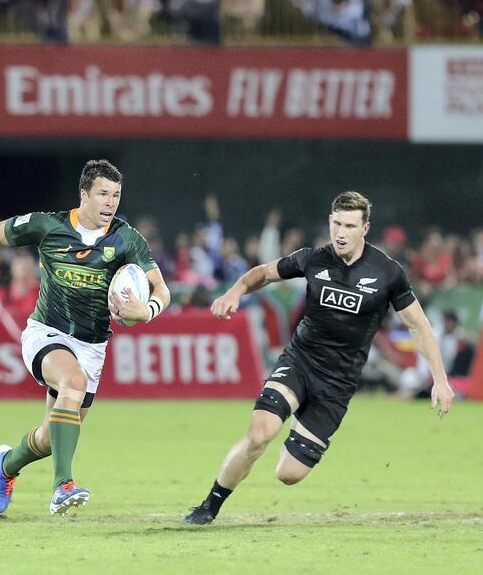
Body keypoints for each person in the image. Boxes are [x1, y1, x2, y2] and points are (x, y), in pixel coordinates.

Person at [182, 191, 455, 526]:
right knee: (260, 434)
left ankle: (299, 428)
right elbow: (264, 273)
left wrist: (440, 380)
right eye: (337, 223)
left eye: (350, 226)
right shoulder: (313, 258)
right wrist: (234, 292)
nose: (341, 232)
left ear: (364, 228)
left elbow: (419, 325)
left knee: (288, 474)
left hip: (338, 383)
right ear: (330, 222)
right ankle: (208, 506)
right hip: (300, 361)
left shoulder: (388, 273)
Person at [0, 159, 171, 517]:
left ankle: (7, 465)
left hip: (93, 346)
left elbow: (161, 288)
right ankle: (62, 487)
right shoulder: (48, 225)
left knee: (51, 438)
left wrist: (147, 310)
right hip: (46, 333)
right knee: (73, 382)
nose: (110, 202)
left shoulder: (128, 239)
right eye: (102, 194)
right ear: (83, 194)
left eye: (116, 195)